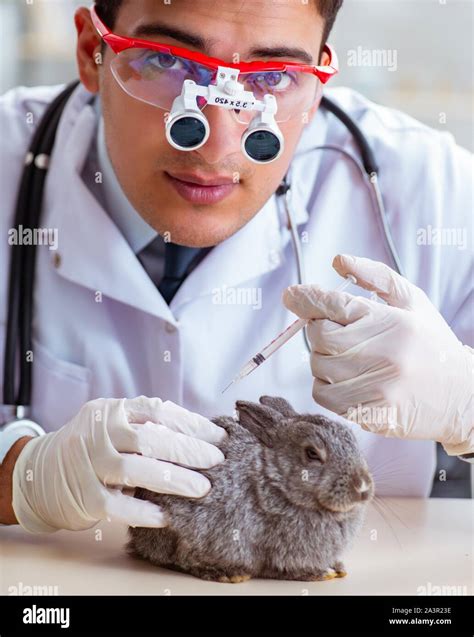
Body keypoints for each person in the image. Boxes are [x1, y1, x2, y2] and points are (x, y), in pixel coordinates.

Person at [0, 0, 472, 534]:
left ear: (317, 84)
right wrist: (22, 478)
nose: (217, 145)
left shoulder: (435, 191)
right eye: (167, 62)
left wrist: (466, 403)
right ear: (92, 52)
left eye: (273, 76)